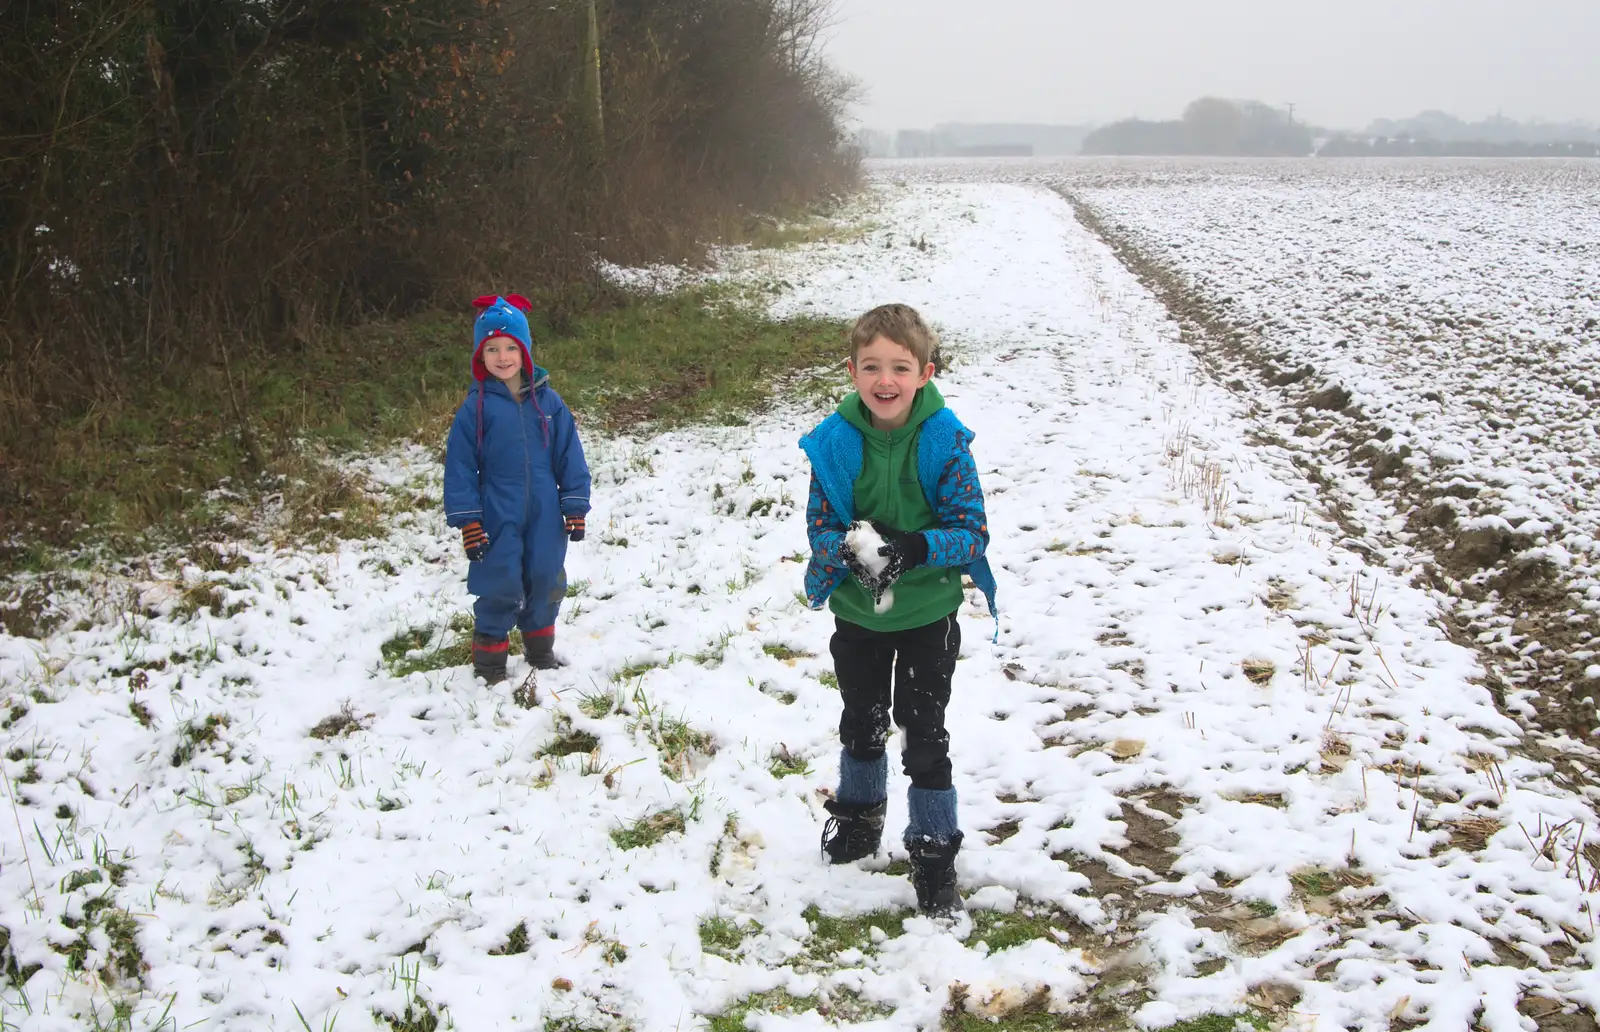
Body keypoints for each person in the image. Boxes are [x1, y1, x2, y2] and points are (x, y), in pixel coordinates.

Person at [798, 302, 997, 916]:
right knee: (861, 718)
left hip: (926, 617)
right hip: (858, 614)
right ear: (853, 372)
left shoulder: (944, 444)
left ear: (925, 373)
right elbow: (819, 525)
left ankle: (934, 852)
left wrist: (913, 547)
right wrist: (846, 550)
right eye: (872, 367)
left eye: (900, 367)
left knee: (923, 732)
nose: (886, 380)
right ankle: (858, 819)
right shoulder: (835, 444)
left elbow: (972, 533)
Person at [443, 294, 591, 684]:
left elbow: (568, 454)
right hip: (497, 509)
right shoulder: (475, 408)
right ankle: (490, 663)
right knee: (499, 578)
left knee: (546, 574)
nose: (503, 356)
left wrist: (574, 504)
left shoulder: (549, 403)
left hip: (544, 509)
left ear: (525, 351)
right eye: (492, 348)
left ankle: (540, 650)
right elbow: (460, 465)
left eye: (511, 347)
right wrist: (468, 520)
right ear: (481, 355)